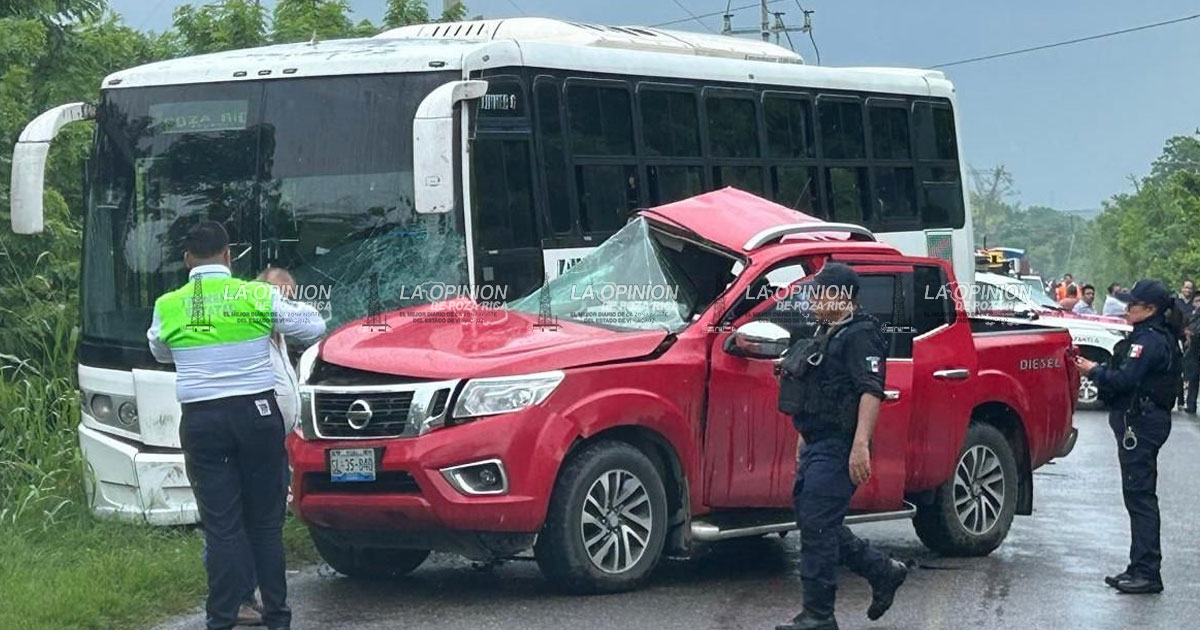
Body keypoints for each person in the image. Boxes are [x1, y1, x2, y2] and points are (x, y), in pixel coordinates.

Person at [148, 222, 325, 630]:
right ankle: (278, 617)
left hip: (202, 420)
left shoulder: (169, 303)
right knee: (265, 524)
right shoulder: (256, 294)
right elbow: (314, 326)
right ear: (228, 256)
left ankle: (221, 619)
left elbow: (159, 349)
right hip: (257, 415)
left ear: (187, 259)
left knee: (222, 525)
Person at [774, 263, 908, 630]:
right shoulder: (825, 332)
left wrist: (860, 445)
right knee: (817, 522)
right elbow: (817, 391)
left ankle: (819, 615)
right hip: (818, 443)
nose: (814, 299)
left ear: (841, 296)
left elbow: (870, 390)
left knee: (817, 527)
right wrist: (804, 437)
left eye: (821, 292)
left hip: (841, 444)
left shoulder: (861, 335)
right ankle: (882, 571)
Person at [1075, 279, 1181, 595]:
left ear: (1150, 309)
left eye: (1132, 304)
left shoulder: (1148, 342)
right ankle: (1139, 566)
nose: (1126, 308)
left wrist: (1092, 370)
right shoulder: (1156, 337)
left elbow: (1124, 380)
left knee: (1140, 497)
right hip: (1144, 420)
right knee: (1137, 496)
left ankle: (1147, 571)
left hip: (1142, 422)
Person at [1183, 294, 1200, 414]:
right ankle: (1191, 404)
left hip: (1195, 346)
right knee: (1193, 378)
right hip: (1195, 349)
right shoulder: (1193, 315)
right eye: (1197, 301)